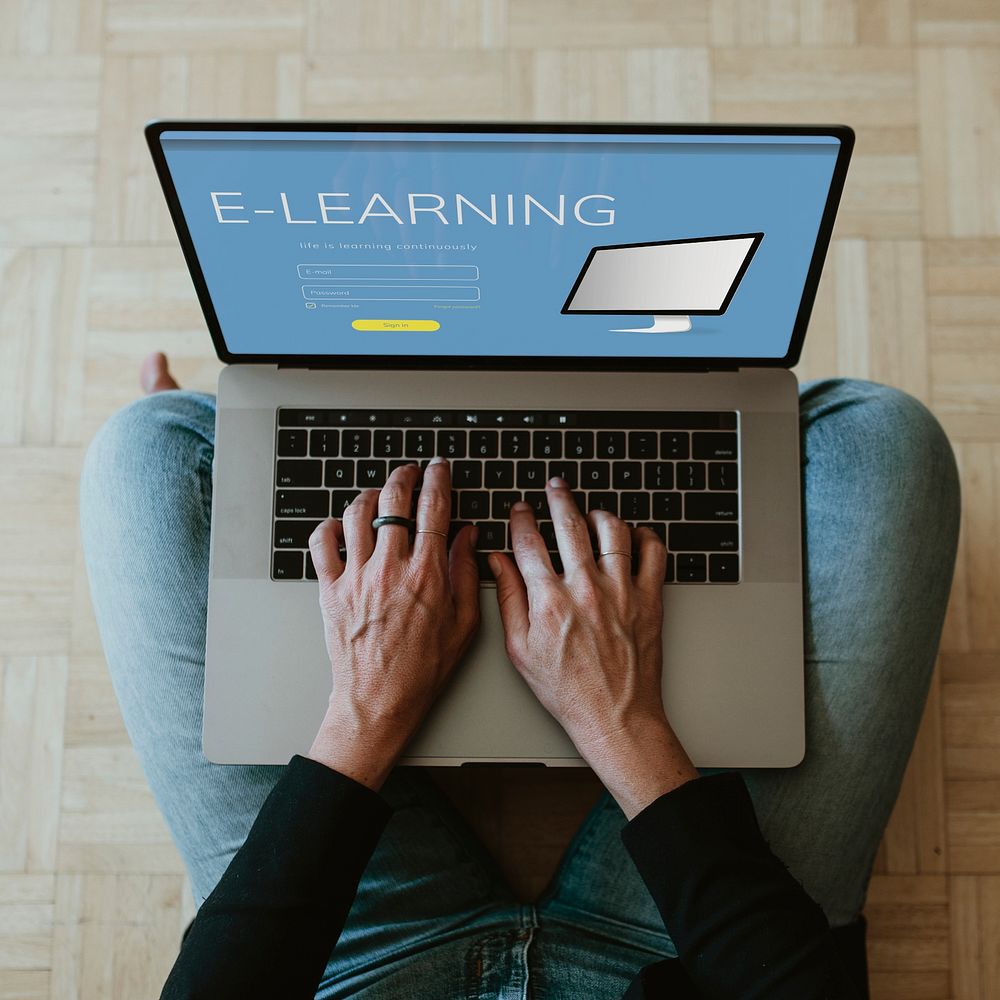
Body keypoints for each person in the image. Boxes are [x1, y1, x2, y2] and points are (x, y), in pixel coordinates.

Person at [79, 351, 961, 999]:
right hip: (677, 958)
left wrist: (365, 712)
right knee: (881, 437)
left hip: (349, 959)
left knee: (145, 456)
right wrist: (623, 724)